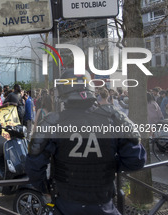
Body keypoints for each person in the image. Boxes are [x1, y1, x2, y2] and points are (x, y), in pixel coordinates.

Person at [25, 69, 146, 215]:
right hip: (103, 204)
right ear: (90, 88)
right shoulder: (113, 119)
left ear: (63, 92)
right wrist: (108, 165)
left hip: (66, 204)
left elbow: (34, 166)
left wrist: (45, 188)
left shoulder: (53, 123)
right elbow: (136, 160)